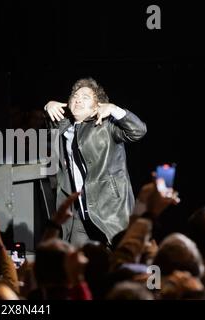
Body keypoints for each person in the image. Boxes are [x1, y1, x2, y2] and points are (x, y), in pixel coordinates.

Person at [44, 77, 147, 247]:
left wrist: (114, 109)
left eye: (86, 97)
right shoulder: (64, 127)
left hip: (109, 211)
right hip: (79, 213)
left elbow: (138, 131)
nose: (78, 100)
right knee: (76, 264)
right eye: (75, 96)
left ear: (98, 104)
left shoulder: (107, 124)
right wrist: (48, 106)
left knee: (118, 263)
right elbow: (44, 131)